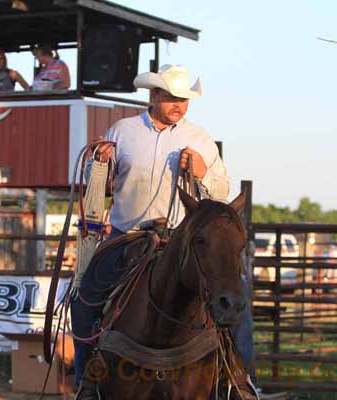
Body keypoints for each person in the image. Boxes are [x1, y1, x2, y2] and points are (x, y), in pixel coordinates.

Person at [70, 65, 257, 399]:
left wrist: (201, 173)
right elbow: (93, 177)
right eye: (172, 98)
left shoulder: (200, 139)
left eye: (184, 100)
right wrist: (100, 161)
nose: (179, 106)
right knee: (85, 299)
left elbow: (220, 195)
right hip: (129, 235)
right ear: (153, 95)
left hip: (183, 238)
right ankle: (87, 379)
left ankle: (240, 381)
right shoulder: (122, 131)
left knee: (233, 294)